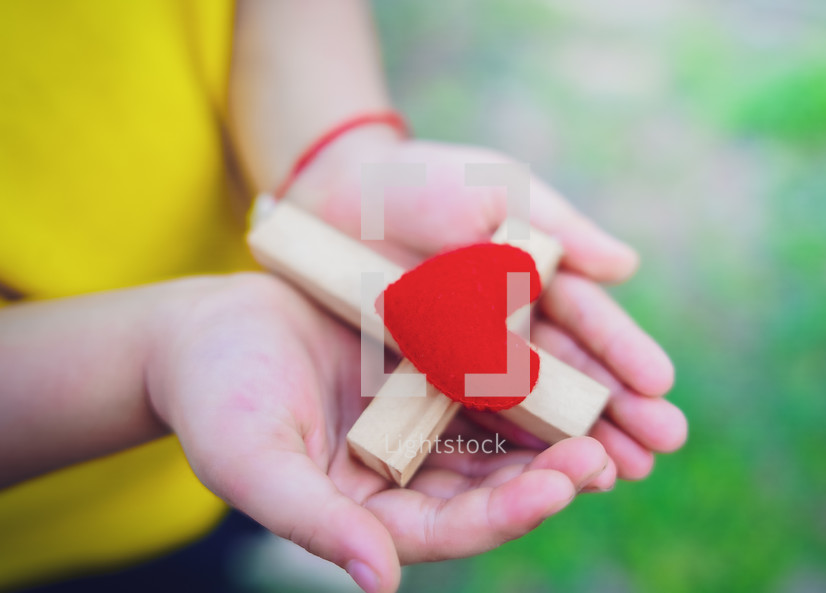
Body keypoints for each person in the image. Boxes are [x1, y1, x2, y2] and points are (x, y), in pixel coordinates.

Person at [0, 2, 687, 593]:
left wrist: (336, 155)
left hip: (266, 338)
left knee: (269, 475)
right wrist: (152, 355)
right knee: (191, 548)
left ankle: (265, 533)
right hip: (56, 501)